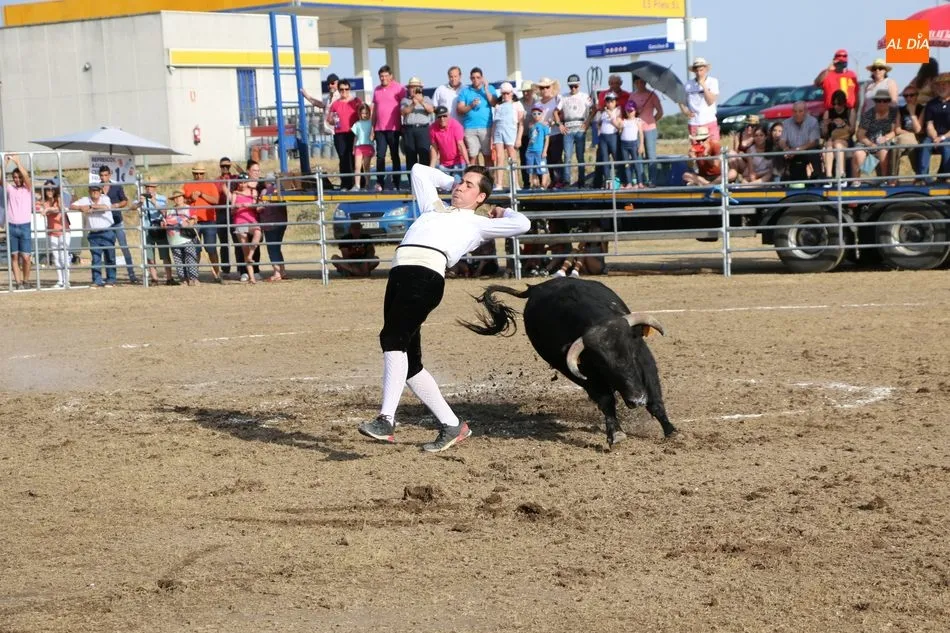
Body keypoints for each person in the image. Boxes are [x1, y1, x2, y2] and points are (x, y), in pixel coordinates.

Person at [357, 162, 530, 452]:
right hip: (400, 274)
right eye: (461, 182)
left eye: (469, 185)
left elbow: (523, 224)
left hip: (425, 276)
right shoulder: (434, 207)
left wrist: (503, 212)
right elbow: (418, 170)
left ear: (481, 198)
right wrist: (454, 184)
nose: (461, 187)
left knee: (392, 339)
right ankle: (452, 425)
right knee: (410, 363)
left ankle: (386, 420)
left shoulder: (478, 223)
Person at [97, 165, 139, 284]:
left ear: (109, 175)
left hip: (117, 221)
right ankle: (111, 276)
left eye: (106, 175)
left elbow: (125, 200)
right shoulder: (96, 188)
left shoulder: (116, 186)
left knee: (124, 247)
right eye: (102, 175)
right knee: (108, 250)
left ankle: (132, 275)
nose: (104, 177)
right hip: (105, 223)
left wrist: (116, 205)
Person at [69, 184, 115, 288]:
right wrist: (81, 208)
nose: (95, 192)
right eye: (92, 190)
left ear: (100, 191)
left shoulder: (105, 198)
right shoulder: (85, 200)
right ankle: (97, 280)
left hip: (107, 231)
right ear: (89, 191)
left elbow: (106, 207)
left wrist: (90, 207)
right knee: (95, 258)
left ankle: (111, 279)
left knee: (110, 257)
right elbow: (72, 206)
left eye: (97, 190)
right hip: (94, 234)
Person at [183, 163, 222, 282]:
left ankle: (217, 274)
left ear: (204, 174)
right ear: (193, 174)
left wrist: (202, 195)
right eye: (196, 173)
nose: (198, 176)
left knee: (211, 249)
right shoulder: (187, 186)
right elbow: (181, 201)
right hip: (193, 221)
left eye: (200, 173)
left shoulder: (210, 185)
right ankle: (194, 276)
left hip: (209, 221)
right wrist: (191, 199)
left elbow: (216, 200)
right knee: (195, 250)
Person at [852, 88, 898, 185]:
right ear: (875, 101)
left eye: (885, 101)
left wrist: (886, 137)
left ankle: (884, 180)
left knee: (883, 151)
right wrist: (870, 144)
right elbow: (860, 134)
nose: (882, 103)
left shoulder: (894, 113)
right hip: (867, 140)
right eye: (878, 100)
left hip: (884, 140)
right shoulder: (868, 114)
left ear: (889, 102)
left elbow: (895, 131)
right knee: (858, 153)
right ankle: (856, 181)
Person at [371, 65, 406, 191]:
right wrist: (372, 128)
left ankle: (396, 182)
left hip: (394, 128)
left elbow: (405, 106)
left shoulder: (399, 88)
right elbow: (374, 110)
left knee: (394, 155)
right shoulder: (377, 90)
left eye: (386, 76)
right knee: (380, 156)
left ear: (391, 76)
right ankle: (380, 182)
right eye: (381, 76)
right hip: (379, 129)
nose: (383, 78)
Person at [556, 73, 592, 187]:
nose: (573, 89)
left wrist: (587, 122)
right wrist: (560, 125)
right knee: (567, 156)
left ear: (579, 85)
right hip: (568, 129)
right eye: (571, 86)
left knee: (580, 156)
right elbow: (555, 111)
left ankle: (581, 181)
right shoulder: (564, 97)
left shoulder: (584, 96)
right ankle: (566, 180)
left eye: (575, 86)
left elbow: (594, 109)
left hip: (580, 128)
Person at [457, 67, 497, 168]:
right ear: (470, 78)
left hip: (486, 127)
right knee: (473, 156)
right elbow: (460, 109)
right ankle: (475, 177)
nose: (475, 80)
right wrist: (471, 105)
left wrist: (486, 89)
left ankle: (488, 177)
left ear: (482, 78)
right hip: (470, 128)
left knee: (487, 156)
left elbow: (494, 103)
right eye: (473, 78)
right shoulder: (465, 91)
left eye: (478, 77)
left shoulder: (490, 88)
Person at [137, 176, 174, 285]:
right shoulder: (141, 198)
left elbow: (165, 212)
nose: (149, 189)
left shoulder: (161, 198)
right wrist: (140, 203)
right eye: (147, 186)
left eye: (151, 186)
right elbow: (132, 208)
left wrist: (154, 202)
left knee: (165, 255)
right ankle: (154, 278)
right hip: (147, 229)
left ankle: (169, 278)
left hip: (160, 228)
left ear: (155, 187)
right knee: (150, 256)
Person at [4, 154, 34, 290]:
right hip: (11, 226)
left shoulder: (28, 189)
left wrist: (17, 162)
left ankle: (26, 281)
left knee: (26, 257)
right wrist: (5, 162)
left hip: (24, 226)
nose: (17, 179)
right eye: (15, 177)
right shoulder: (10, 189)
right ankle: (18, 283)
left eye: (19, 177)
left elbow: (27, 176)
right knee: (14, 256)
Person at [628, 75, 663, 186]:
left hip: (650, 129)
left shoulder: (652, 95)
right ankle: (641, 180)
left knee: (651, 155)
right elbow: (629, 111)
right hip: (636, 129)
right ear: (635, 83)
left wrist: (652, 121)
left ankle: (652, 181)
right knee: (638, 155)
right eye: (638, 82)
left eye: (642, 82)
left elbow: (660, 112)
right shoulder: (632, 96)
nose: (640, 84)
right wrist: (636, 113)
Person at [327, 79, 362, 191]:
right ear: (338, 90)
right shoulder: (335, 104)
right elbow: (329, 119)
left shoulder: (356, 101)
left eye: (346, 89)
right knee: (343, 158)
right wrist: (332, 120)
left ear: (349, 89)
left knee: (355, 158)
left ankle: (359, 183)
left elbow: (364, 115)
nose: (344, 91)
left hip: (354, 133)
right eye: (341, 89)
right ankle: (346, 184)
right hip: (340, 134)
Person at [164, 190, 200, 286]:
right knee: (178, 260)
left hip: (187, 237)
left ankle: (194, 279)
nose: (177, 199)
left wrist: (189, 222)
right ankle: (183, 279)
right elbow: (165, 222)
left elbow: (194, 219)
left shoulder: (189, 208)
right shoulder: (169, 210)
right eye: (175, 198)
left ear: (183, 198)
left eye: (179, 197)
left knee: (191, 257)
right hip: (173, 239)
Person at [490, 81, 522, 190]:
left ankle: (515, 184)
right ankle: (499, 184)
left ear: (512, 93)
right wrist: (492, 138)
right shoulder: (498, 106)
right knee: (499, 158)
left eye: (508, 93)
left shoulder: (517, 104)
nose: (505, 95)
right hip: (499, 132)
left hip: (511, 132)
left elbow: (521, 123)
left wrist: (519, 138)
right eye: (503, 93)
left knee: (512, 158)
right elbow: (494, 123)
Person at [778, 102, 821, 182]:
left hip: (806, 150)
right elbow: (782, 140)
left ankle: (818, 179)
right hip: (791, 151)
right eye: (795, 111)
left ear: (806, 111)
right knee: (778, 153)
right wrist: (786, 149)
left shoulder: (813, 122)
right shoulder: (786, 123)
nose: (797, 114)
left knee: (814, 153)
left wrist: (797, 150)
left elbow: (813, 142)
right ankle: (778, 179)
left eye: (800, 111)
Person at [231, 174, 262, 284]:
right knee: (245, 248)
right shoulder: (235, 193)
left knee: (258, 232)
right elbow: (232, 210)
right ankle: (252, 277)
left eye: (244, 182)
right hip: (240, 221)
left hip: (251, 220)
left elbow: (255, 205)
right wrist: (236, 207)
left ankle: (250, 255)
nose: (242, 184)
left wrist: (248, 205)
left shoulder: (253, 192)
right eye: (240, 182)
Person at [918, 73, 950, 180]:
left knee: (946, 147)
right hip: (935, 135)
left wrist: (942, 138)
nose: (941, 87)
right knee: (925, 145)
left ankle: (946, 177)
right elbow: (929, 124)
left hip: (948, 136)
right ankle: (923, 178)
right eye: (938, 85)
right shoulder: (931, 104)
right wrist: (935, 137)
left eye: (944, 84)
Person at [680, 57, 720, 141]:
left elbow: (710, 101)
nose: (699, 73)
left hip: (709, 120)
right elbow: (680, 100)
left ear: (706, 69)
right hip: (694, 122)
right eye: (696, 71)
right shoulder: (688, 84)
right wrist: (685, 111)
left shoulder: (713, 81)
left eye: (701, 70)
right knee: (697, 147)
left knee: (714, 146)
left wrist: (703, 85)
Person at [401, 77, 434, 175]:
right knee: (410, 156)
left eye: (415, 87)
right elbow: (403, 112)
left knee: (424, 155)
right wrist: (413, 104)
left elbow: (431, 110)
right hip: (409, 129)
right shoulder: (405, 100)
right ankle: (412, 181)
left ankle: (425, 179)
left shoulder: (426, 99)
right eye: (411, 87)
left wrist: (421, 101)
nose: (413, 89)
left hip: (423, 129)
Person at [820, 90, 855, 184]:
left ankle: (841, 175)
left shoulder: (850, 111)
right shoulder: (828, 112)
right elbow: (824, 134)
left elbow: (852, 131)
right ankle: (828, 177)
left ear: (844, 103)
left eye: (839, 104)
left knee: (838, 144)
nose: (836, 106)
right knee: (829, 147)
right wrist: (824, 126)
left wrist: (844, 124)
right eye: (834, 104)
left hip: (845, 139)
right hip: (831, 139)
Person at [41, 179, 69, 288]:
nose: (50, 191)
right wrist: (46, 209)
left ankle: (66, 280)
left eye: (51, 189)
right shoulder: (44, 202)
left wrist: (48, 209)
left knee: (63, 256)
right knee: (56, 257)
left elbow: (60, 209)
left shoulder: (59, 198)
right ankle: (60, 280)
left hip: (63, 230)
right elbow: (41, 209)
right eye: (47, 189)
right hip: (52, 232)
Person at [594, 92, 625, 189]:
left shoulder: (618, 111)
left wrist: (611, 116)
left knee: (617, 157)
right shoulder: (603, 112)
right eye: (607, 101)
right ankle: (607, 180)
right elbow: (599, 123)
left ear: (615, 102)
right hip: (603, 137)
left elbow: (619, 126)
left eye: (612, 101)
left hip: (613, 136)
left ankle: (622, 180)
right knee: (604, 158)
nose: (609, 103)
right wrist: (599, 129)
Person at [259, 179, 288, 282]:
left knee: (272, 249)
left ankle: (277, 273)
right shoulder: (281, 190)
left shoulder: (265, 191)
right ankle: (282, 271)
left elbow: (260, 207)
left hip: (270, 224)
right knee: (277, 248)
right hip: (281, 223)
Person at [894, 86, 925, 179]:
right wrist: (908, 134)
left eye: (911, 95)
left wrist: (912, 113)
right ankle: (893, 176)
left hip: (918, 137)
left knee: (912, 145)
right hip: (904, 137)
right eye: (905, 96)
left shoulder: (922, 109)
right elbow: (897, 129)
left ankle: (920, 175)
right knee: (894, 148)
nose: (908, 98)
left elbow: (918, 130)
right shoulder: (900, 110)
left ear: (917, 96)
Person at [429, 105, 469, 172]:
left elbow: (460, 145)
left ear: (449, 115)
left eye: (444, 116)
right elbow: (434, 148)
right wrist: (431, 167)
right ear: (436, 117)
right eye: (439, 117)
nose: (442, 119)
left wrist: (468, 163)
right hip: (444, 164)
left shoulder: (456, 126)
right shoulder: (432, 128)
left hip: (458, 162)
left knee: (457, 179)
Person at [618, 101, 645, 189]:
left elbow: (641, 134)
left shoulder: (638, 121)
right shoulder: (624, 121)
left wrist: (641, 145)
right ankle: (629, 183)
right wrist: (619, 125)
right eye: (628, 111)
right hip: (624, 145)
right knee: (626, 164)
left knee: (636, 164)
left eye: (631, 110)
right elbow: (620, 130)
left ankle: (639, 182)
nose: (630, 112)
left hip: (633, 144)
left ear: (635, 111)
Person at [525, 104, 550, 189]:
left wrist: (545, 151)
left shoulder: (544, 125)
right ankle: (535, 184)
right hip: (530, 150)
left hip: (539, 150)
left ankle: (543, 184)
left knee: (542, 167)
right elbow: (530, 138)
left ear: (542, 114)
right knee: (532, 168)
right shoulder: (531, 126)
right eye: (534, 113)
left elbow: (547, 139)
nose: (536, 115)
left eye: (539, 113)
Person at [352, 103, 374, 191]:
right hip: (358, 147)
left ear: (369, 113)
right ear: (360, 114)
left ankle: (367, 184)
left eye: (366, 113)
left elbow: (373, 135)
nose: (365, 115)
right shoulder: (357, 124)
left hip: (368, 146)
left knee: (366, 166)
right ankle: (357, 185)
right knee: (357, 166)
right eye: (363, 113)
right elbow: (356, 136)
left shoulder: (371, 123)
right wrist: (353, 147)